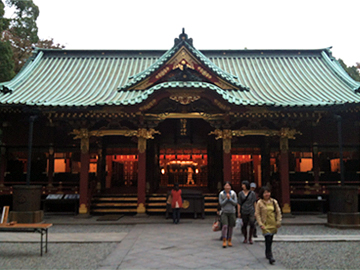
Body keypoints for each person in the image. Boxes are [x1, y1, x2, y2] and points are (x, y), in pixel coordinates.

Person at [255, 186, 282, 264]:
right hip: (265, 223)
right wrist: (260, 223)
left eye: (268, 192)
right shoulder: (260, 202)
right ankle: (270, 255)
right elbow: (257, 214)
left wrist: (278, 221)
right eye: (265, 192)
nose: (267, 194)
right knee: (267, 238)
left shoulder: (274, 202)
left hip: (272, 222)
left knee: (271, 238)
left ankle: (268, 252)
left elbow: (278, 212)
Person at [219, 181, 237, 248]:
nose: (227, 187)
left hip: (232, 212)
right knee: (225, 226)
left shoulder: (233, 193)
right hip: (224, 212)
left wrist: (230, 199)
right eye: (226, 186)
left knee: (231, 227)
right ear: (224, 187)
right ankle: (224, 239)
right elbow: (221, 203)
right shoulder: (221, 194)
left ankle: (229, 239)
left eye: (228, 186)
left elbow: (235, 203)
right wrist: (227, 199)